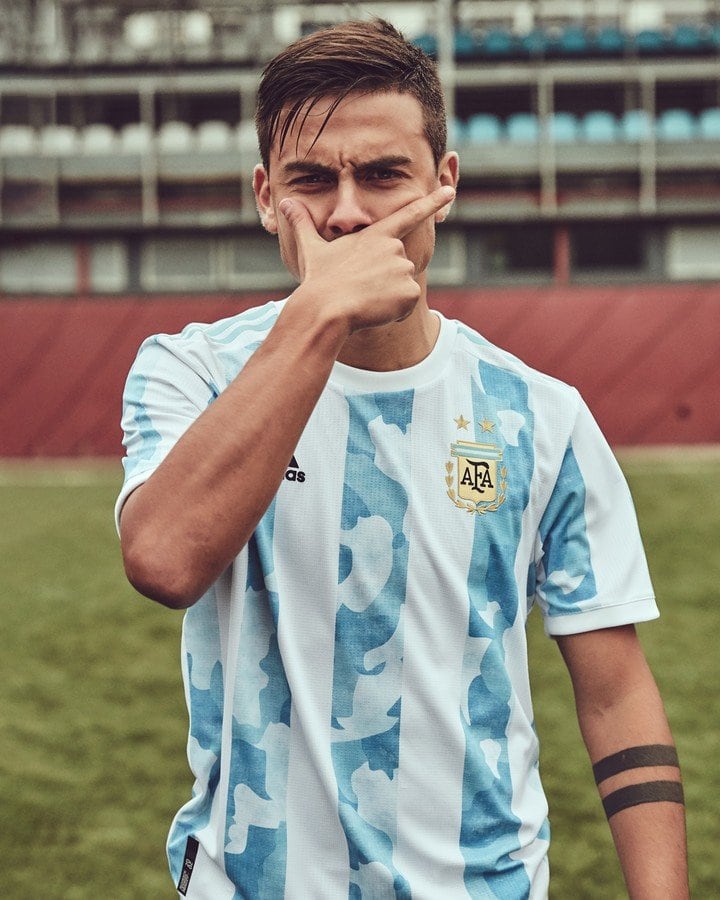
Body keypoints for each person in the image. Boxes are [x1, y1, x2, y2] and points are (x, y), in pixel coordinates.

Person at [116, 19, 689, 899]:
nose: (348, 213)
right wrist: (320, 310)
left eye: (384, 176)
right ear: (267, 198)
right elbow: (164, 559)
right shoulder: (189, 371)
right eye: (313, 181)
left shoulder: (542, 415)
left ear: (444, 185)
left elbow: (614, 692)